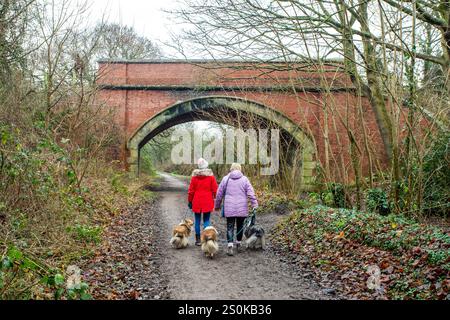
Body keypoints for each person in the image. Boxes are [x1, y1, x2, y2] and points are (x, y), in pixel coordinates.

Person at [214, 163, 258, 256]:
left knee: (230, 226)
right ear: (240, 169)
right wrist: (255, 204)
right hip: (242, 207)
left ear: (231, 169)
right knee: (240, 226)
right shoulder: (245, 179)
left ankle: (230, 246)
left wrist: (217, 206)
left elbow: (219, 194)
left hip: (229, 207)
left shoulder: (225, 179)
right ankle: (238, 244)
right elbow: (251, 193)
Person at [188, 158, 218, 246]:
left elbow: (191, 191)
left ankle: (198, 240)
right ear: (206, 166)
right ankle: (207, 238)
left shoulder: (194, 177)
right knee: (206, 220)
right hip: (207, 201)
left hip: (196, 201)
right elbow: (215, 190)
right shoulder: (211, 177)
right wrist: (217, 199)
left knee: (197, 221)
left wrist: (190, 201)